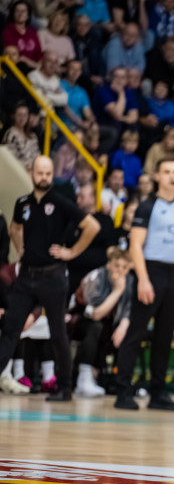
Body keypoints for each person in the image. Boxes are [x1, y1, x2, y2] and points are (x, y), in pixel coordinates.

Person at [0, 157, 100, 400]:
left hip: (53, 276)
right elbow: (14, 227)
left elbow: (92, 226)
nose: (44, 177)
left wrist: (72, 252)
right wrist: (20, 248)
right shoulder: (23, 203)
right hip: (27, 276)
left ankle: (64, 387)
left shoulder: (61, 202)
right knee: (10, 328)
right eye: (40, 173)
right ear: (31, 173)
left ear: (52, 174)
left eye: (48, 173)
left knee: (57, 333)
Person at [115, 158, 174, 411]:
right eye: (167, 172)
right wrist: (143, 279)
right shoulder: (147, 207)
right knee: (136, 332)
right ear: (157, 177)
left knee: (165, 336)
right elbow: (135, 246)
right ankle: (123, 391)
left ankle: (158, 393)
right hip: (151, 270)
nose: (172, 176)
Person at [72, 247, 132, 397]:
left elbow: (129, 309)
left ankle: (120, 381)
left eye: (124, 267)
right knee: (96, 326)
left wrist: (124, 324)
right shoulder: (96, 277)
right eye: (117, 265)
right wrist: (117, 291)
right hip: (78, 320)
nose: (120, 270)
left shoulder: (130, 281)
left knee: (128, 332)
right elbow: (96, 314)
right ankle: (84, 378)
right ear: (109, 264)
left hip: (109, 325)